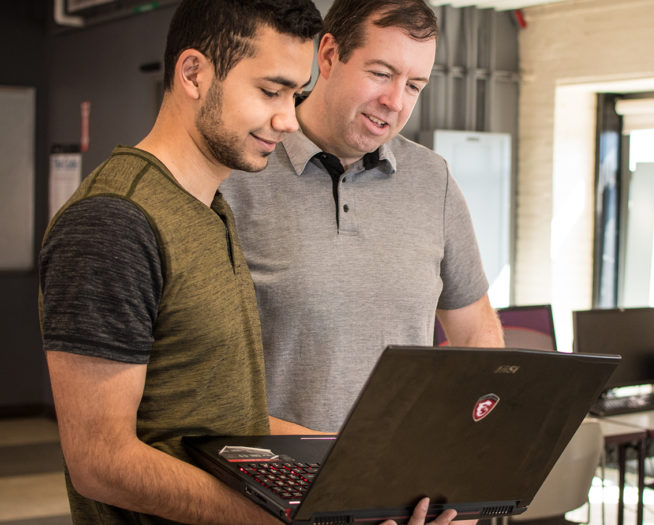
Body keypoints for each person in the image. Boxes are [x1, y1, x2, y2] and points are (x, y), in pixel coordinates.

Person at [39, 2, 456, 525]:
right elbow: (101, 463)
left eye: (293, 93)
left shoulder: (209, 211)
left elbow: (221, 422)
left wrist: (370, 479)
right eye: (269, 91)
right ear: (193, 74)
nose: (287, 118)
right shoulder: (113, 222)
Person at [220, 0, 504, 434]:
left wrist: (458, 457)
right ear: (329, 55)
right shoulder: (238, 172)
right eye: (381, 73)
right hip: (274, 482)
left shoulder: (433, 179)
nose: (394, 101)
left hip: (402, 487)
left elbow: (476, 336)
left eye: (414, 85)